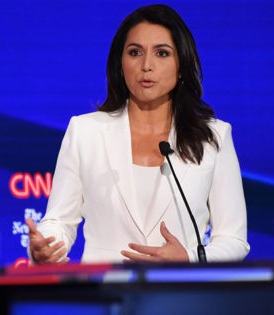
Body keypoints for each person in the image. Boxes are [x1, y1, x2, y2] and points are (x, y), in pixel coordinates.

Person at [26, 4, 250, 264]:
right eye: (135, 52)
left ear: (181, 66)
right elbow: (59, 221)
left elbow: (234, 240)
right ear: (120, 64)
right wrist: (46, 247)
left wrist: (189, 259)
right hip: (106, 293)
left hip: (182, 295)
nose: (146, 65)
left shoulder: (214, 136)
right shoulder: (86, 132)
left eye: (162, 53)